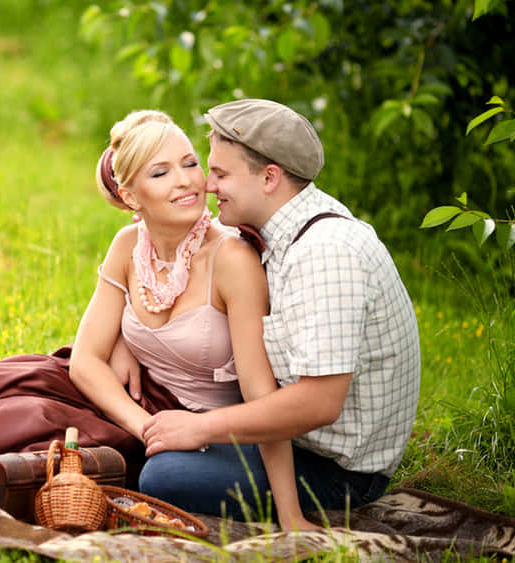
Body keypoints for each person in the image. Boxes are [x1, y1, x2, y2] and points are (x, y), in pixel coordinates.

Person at [134, 98, 421, 521]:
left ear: (269, 178)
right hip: (294, 438)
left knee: (163, 475)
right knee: (148, 438)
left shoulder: (326, 252)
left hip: (338, 472)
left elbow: (318, 405)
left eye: (221, 174)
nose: (209, 186)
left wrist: (199, 428)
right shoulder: (280, 232)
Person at [68, 109, 315, 530]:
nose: (185, 180)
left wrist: (291, 515)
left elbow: (260, 393)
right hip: (142, 411)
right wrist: (144, 425)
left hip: (209, 427)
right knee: (25, 405)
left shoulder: (232, 258)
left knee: (161, 477)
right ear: (131, 197)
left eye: (190, 164)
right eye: (161, 172)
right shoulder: (128, 244)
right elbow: (84, 360)